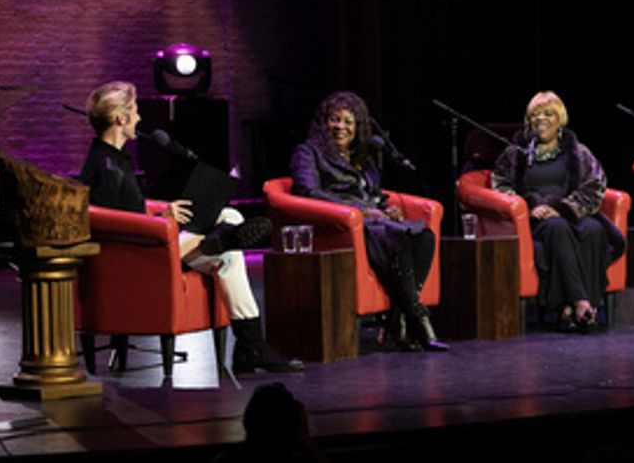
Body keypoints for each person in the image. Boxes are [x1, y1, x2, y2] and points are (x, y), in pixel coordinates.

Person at [79, 80, 303, 373]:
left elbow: (128, 212)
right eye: (135, 111)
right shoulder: (106, 168)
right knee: (228, 252)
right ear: (120, 118)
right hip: (141, 257)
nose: (140, 118)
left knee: (229, 222)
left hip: (150, 246)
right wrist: (163, 220)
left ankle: (219, 241)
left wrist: (163, 212)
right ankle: (251, 345)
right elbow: (122, 230)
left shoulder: (111, 159)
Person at [289, 91, 447, 351]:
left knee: (424, 236)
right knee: (397, 237)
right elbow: (309, 192)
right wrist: (363, 211)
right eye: (334, 120)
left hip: (375, 223)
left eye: (348, 122)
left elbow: (374, 195)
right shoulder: (308, 152)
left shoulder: (363, 158)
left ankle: (399, 317)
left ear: (358, 127)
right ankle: (418, 319)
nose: (340, 127)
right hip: (342, 226)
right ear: (323, 123)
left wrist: (387, 207)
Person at [491, 91, 625, 331]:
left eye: (548, 114)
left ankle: (569, 310)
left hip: (571, 212)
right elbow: (500, 184)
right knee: (557, 228)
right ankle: (582, 304)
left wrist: (565, 208)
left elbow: (595, 186)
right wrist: (527, 207)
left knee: (594, 230)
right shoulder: (515, 153)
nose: (541, 119)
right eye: (535, 115)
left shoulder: (578, 152)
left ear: (560, 118)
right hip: (536, 219)